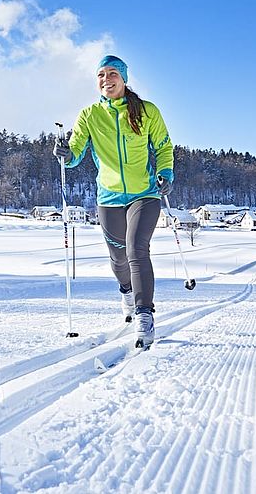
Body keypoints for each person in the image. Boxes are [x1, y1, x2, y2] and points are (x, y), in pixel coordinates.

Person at [53, 55, 173, 348]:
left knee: (136, 249)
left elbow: (163, 145)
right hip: (108, 196)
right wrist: (67, 155)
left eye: (112, 74)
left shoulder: (146, 111)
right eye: (100, 75)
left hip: (144, 193)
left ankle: (145, 314)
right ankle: (127, 292)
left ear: (124, 78)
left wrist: (165, 171)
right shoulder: (90, 115)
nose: (106, 79)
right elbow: (78, 150)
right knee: (118, 258)